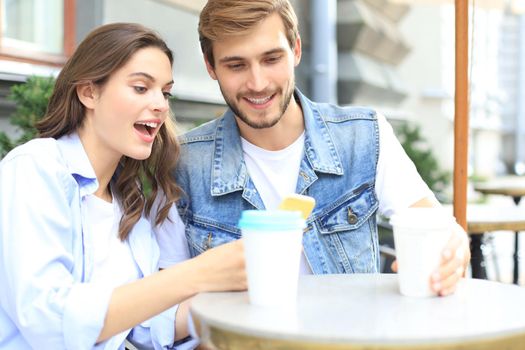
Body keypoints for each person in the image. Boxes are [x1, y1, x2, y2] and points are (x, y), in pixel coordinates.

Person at [157, 0, 470, 298]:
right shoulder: (181, 163)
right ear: (211, 67)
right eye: (236, 65)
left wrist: (453, 248)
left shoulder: (364, 136)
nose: (257, 82)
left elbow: (435, 230)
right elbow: (171, 303)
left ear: (296, 50)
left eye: (271, 59)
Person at [0, 23, 246, 350]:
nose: (161, 104)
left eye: (165, 92)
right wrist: (198, 273)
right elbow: (49, 323)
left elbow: (142, 326)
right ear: (89, 92)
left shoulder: (127, 203)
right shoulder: (35, 168)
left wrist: (239, 303)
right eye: (141, 88)